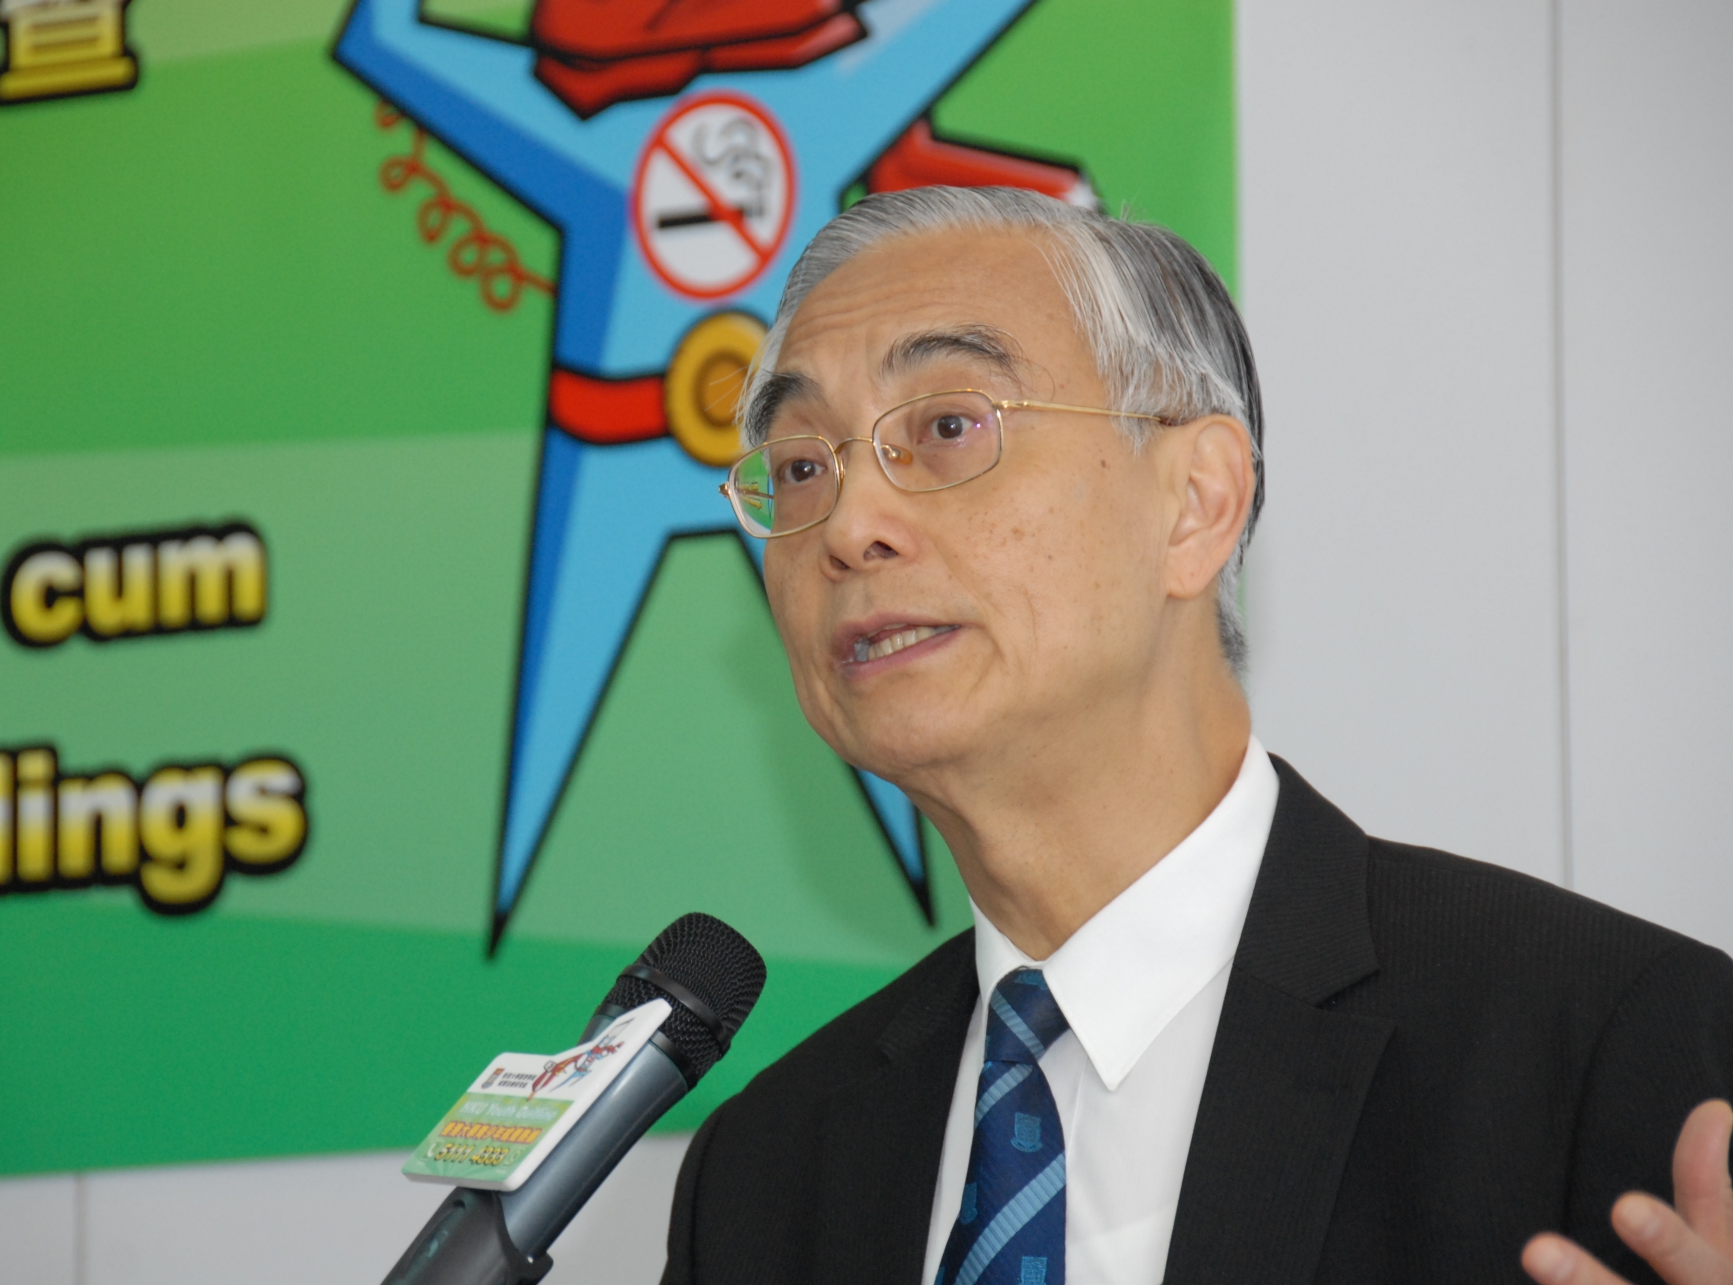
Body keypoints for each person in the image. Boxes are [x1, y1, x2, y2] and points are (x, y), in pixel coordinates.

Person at [660, 186, 1733, 1285]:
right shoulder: (764, 1172)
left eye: (945, 428)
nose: (848, 528)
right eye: (801, 467)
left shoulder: (1606, 1047)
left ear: (1196, 503)